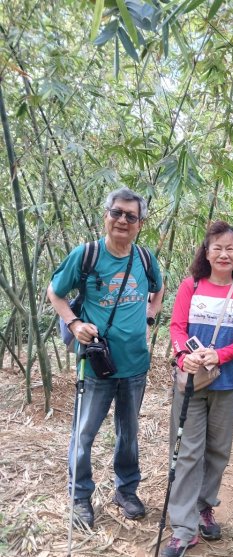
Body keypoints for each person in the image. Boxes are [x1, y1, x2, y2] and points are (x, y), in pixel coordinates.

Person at [47, 187, 164, 529]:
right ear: (106, 216)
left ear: (140, 223)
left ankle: (126, 490)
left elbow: (159, 288)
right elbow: (55, 291)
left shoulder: (144, 259)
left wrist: (150, 315)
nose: (122, 220)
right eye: (117, 213)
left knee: (128, 432)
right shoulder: (87, 255)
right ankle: (80, 495)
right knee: (84, 434)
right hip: (96, 364)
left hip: (135, 364)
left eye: (131, 216)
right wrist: (74, 322)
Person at [161, 220, 233, 557]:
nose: (223, 253)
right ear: (206, 252)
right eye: (216, 247)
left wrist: (220, 354)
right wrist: (183, 355)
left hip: (227, 383)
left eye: (230, 247)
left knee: (218, 450)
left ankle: (204, 508)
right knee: (188, 451)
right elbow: (176, 327)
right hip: (190, 382)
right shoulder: (191, 286)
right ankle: (183, 528)